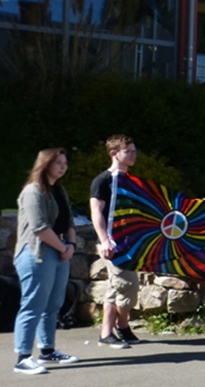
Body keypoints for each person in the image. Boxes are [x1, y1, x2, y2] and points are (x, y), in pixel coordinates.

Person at [13, 149, 78, 375]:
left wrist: (71, 245)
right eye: (58, 162)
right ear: (45, 164)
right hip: (37, 253)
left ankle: (47, 351)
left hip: (60, 252)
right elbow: (39, 227)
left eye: (65, 163)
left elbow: (69, 222)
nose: (63, 166)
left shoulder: (59, 190)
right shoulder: (32, 191)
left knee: (53, 305)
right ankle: (23, 357)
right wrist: (64, 248)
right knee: (33, 304)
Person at [89, 134, 140, 348]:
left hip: (129, 243)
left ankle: (111, 331)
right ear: (114, 153)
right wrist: (105, 241)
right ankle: (118, 327)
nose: (133, 155)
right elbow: (96, 212)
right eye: (128, 151)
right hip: (112, 242)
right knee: (127, 285)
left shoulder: (131, 181)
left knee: (115, 287)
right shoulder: (103, 181)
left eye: (134, 151)